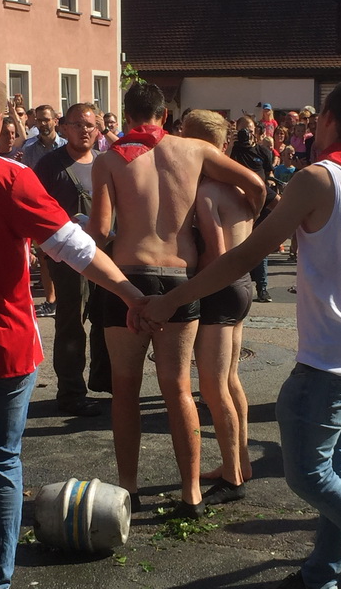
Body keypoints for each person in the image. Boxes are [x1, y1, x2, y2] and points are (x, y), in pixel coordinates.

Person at [135, 80, 341, 589]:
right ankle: (321, 574)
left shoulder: (317, 180)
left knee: (310, 476)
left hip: (329, 360)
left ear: (329, 119)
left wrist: (170, 300)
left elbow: (246, 256)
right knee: (339, 472)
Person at [0, 70, 144, 589]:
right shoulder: (9, 177)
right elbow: (74, 248)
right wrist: (132, 294)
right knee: (0, 463)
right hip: (0, 346)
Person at [87, 82, 265, 518]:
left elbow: (101, 231)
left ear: (125, 114)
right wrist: (251, 218)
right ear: (165, 115)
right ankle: (191, 494)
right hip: (178, 278)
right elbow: (255, 183)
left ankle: (129, 489)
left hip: (127, 275)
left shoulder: (108, 159)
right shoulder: (194, 150)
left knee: (125, 390)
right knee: (179, 388)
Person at [182, 109, 255, 502]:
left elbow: (217, 252)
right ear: (223, 145)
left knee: (212, 385)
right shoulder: (240, 190)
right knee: (229, 380)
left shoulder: (207, 192)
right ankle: (241, 462)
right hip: (241, 286)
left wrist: (188, 287)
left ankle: (232, 477)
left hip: (220, 289)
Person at [34, 103, 113, 416]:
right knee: (71, 323)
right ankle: (71, 393)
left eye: (90, 125)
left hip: (105, 254)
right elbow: (36, 209)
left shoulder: (105, 162)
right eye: (78, 125)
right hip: (68, 259)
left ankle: (103, 382)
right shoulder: (50, 165)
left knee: (106, 320)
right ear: (64, 128)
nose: (85, 130)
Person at [231, 115, 279, 303]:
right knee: (238, 244)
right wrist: (231, 144)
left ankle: (262, 287)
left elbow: (268, 175)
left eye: (250, 130)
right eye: (243, 130)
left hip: (261, 199)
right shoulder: (232, 150)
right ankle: (235, 287)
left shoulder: (263, 151)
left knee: (260, 247)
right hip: (237, 200)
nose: (247, 134)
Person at [22, 105, 66, 169]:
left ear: (55, 122)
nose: (43, 123)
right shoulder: (29, 151)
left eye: (46, 120)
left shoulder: (67, 148)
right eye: (39, 120)